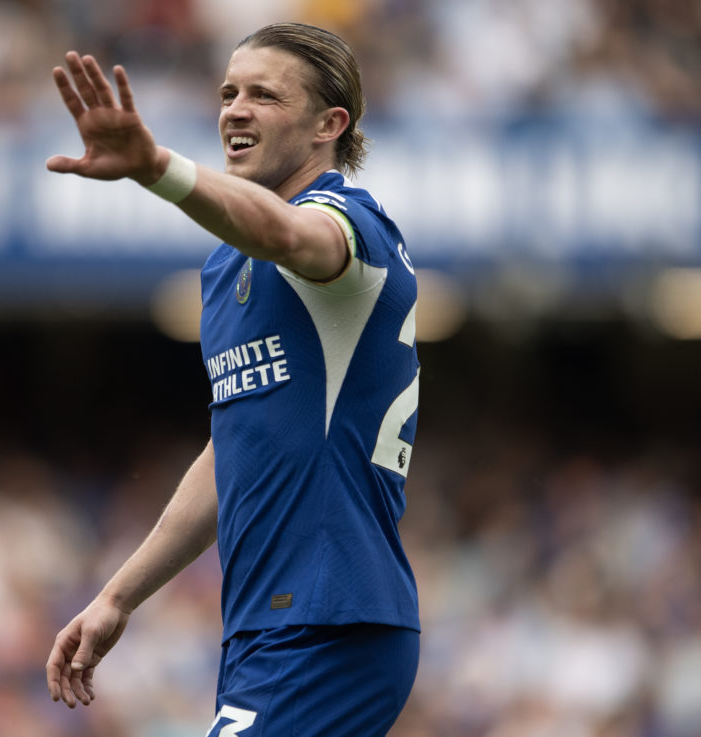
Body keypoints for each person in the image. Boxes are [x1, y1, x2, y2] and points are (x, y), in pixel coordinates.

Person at [44, 22, 421, 737]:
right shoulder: (224, 266)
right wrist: (119, 597)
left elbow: (287, 234)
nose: (234, 109)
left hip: (331, 619)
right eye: (227, 92)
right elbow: (234, 450)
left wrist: (156, 165)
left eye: (264, 95)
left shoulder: (354, 228)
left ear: (328, 124)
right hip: (264, 624)